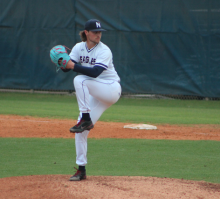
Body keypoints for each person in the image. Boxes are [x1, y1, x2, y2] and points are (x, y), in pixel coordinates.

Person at [61, 19, 121, 181]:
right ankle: (81, 170)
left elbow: (94, 73)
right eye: (95, 32)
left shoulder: (104, 50)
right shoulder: (78, 47)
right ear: (86, 33)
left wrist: (71, 65)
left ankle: (86, 119)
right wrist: (62, 62)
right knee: (80, 132)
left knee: (80, 79)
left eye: (100, 32)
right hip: (96, 93)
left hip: (110, 89)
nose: (98, 35)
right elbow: (67, 67)